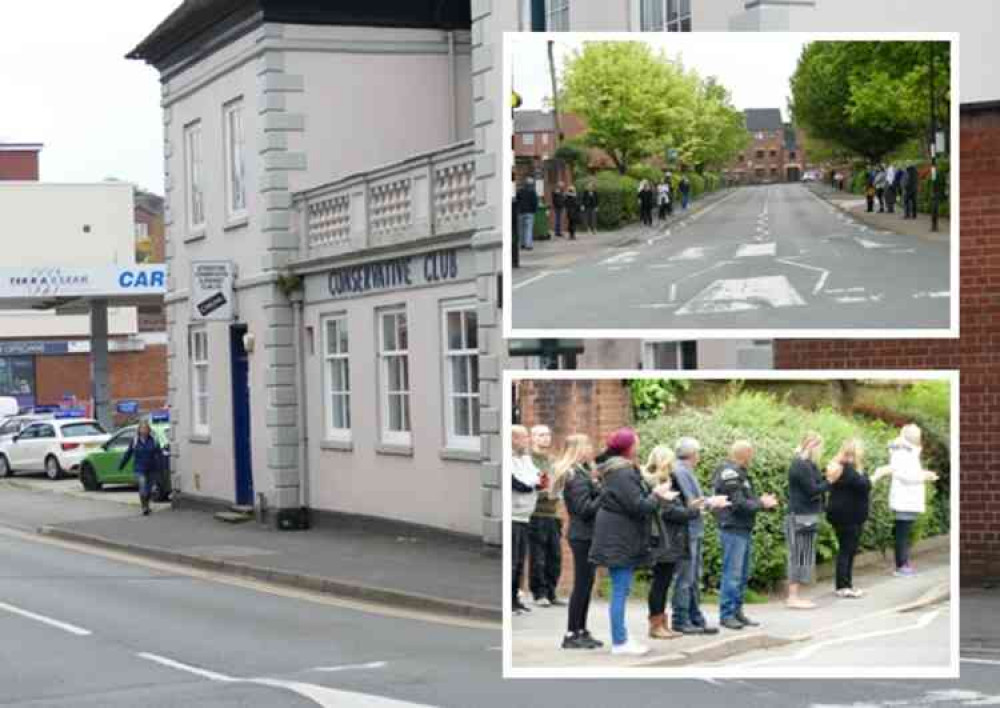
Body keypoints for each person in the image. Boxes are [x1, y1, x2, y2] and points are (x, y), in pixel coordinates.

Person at [589, 428, 675, 656]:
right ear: (628, 447)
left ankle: (622, 637)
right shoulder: (621, 472)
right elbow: (638, 505)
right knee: (620, 590)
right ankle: (619, 641)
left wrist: (656, 496)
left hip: (619, 535)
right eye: (635, 443)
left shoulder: (617, 470)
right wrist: (657, 494)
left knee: (621, 589)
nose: (638, 446)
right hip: (620, 537)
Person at [713, 440, 779, 630]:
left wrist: (762, 502)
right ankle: (726, 614)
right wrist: (762, 504)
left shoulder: (741, 473)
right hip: (733, 528)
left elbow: (748, 501)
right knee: (732, 574)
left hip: (743, 528)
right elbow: (739, 504)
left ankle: (737, 611)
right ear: (745, 454)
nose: (753, 456)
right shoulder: (729, 473)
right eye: (751, 453)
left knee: (741, 574)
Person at [643, 446, 704, 640]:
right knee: (660, 583)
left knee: (664, 581)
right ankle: (656, 625)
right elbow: (668, 512)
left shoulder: (662, 479)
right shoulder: (659, 481)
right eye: (670, 461)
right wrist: (694, 512)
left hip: (668, 537)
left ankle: (662, 623)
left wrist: (689, 507)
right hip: (664, 538)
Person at [670, 437, 725, 636]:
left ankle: (694, 618)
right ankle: (681, 619)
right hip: (687, 530)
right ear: (693, 454)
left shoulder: (682, 470)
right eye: (698, 453)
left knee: (692, 577)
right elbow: (692, 502)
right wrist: (712, 502)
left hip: (693, 529)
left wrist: (709, 501)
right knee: (686, 577)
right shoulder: (681, 471)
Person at [872, 424, 939, 576]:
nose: (919, 438)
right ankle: (901, 565)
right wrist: (925, 476)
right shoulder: (902, 452)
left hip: (908, 498)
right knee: (902, 534)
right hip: (905, 498)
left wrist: (924, 473)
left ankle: (904, 563)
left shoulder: (907, 451)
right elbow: (905, 475)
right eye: (917, 435)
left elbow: (910, 472)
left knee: (904, 533)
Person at [559, 434, 604, 649]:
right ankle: (571, 633)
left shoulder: (584, 472)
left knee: (587, 585)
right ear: (578, 449)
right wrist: (603, 494)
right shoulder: (575, 476)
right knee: (581, 585)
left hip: (588, 535)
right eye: (587, 445)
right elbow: (583, 509)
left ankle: (581, 629)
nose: (591, 449)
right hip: (582, 536)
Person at [785, 432, 830, 610]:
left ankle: (795, 596)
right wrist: (831, 481)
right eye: (818, 446)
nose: (820, 450)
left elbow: (818, 483)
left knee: (803, 556)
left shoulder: (809, 464)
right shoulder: (800, 464)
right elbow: (812, 490)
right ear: (811, 446)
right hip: (800, 515)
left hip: (807, 514)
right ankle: (792, 597)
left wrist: (827, 479)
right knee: (798, 555)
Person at [825, 438, 872, 598]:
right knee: (847, 550)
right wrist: (879, 474)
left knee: (849, 549)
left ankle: (847, 585)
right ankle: (842, 586)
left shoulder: (843, 467)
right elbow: (865, 485)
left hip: (849, 515)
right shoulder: (847, 469)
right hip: (847, 516)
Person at [511, 425, 545, 615]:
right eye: (524, 438)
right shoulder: (508, 459)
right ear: (513, 439)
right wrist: (533, 482)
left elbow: (538, 478)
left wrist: (535, 481)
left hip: (525, 515)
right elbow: (519, 484)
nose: (527, 441)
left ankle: (515, 599)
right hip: (513, 515)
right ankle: (509, 601)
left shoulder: (525, 459)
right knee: (513, 561)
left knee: (520, 561)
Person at [528, 425, 562, 607]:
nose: (545, 438)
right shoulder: (529, 460)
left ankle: (551, 591)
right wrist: (546, 492)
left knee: (555, 556)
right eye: (541, 435)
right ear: (532, 438)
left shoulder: (553, 461)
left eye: (548, 434)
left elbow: (558, 483)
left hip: (554, 513)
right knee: (538, 556)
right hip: (536, 512)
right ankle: (539, 593)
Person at [119, 420, 163, 516]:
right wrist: (121, 465)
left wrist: (160, 467)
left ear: (149, 430)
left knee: (149, 490)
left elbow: (159, 454)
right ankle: (144, 507)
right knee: (142, 487)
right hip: (139, 468)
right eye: (142, 428)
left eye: (146, 428)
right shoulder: (135, 441)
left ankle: (147, 505)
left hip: (152, 468)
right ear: (139, 430)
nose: (144, 430)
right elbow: (128, 453)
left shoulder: (154, 440)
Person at [515, 177, 539, 250]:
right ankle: (528, 245)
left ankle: (522, 244)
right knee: (528, 229)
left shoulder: (520, 191)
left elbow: (516, 200)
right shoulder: (533, 192)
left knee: (521, 229)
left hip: (521, 212)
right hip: (529, 212)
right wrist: (535, 210)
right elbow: (535, 202)